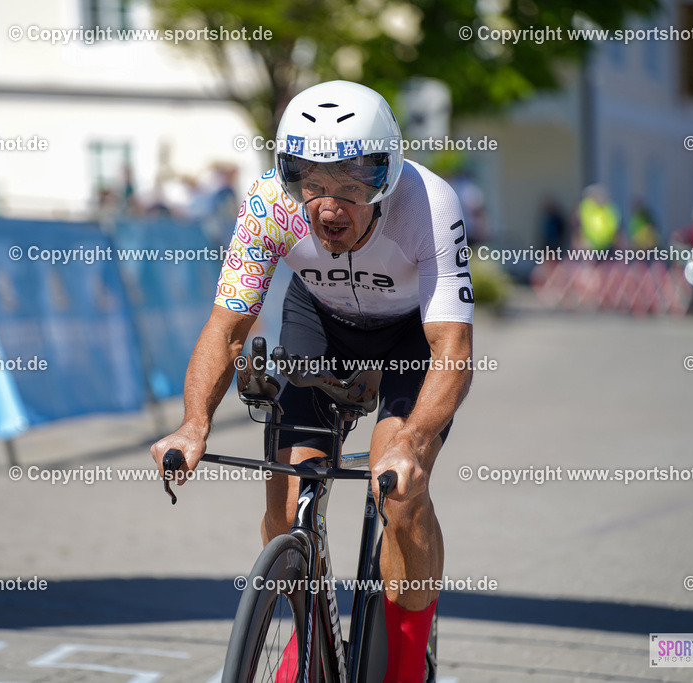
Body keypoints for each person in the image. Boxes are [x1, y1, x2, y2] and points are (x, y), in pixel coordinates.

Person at [150, 80, 474, 682]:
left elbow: (452, 350)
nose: (328, 207)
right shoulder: (269, 204)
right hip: (320, 320)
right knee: (288, 489)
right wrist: (193, 425)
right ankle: (302, 626)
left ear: (388, 178)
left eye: (353, 187)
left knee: (398, 490)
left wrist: (414, 441)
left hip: (409, 336)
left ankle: (404, 664)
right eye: (311, 184)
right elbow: (226, 329)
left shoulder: (428, 205)